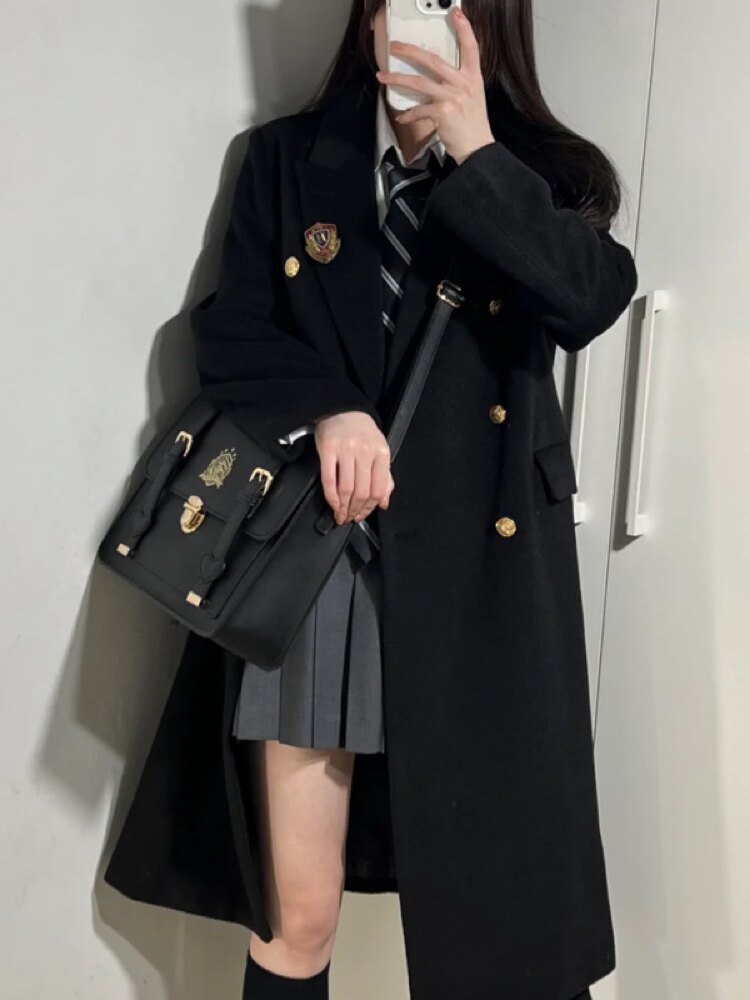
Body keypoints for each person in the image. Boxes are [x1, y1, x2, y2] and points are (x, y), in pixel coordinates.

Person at [103, 2, 638, 998]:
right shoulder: (288, 159)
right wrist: (330, 407)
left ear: (491, 23)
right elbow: (231, 329)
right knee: (296, 914)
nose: (419, 14)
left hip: (482, 579)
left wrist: (478, 154)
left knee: (505, 919)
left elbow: (591, 299)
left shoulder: (549, 175)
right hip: (323, 562)